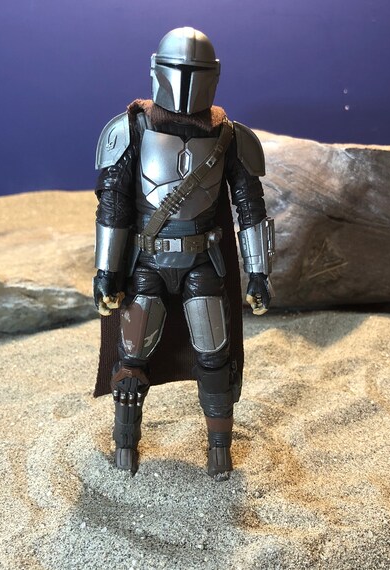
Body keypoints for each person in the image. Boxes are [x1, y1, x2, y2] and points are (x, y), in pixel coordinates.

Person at [92, 27, 275, 480]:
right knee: (131, 355)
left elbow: (249, 207)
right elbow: (113, 205)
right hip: (148, 262)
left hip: (202, 260)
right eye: (179, 71)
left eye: (196, 72)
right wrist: (106, 271)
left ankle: (219, 450)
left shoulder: (229, 136)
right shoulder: (131, 128)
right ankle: (125, 445)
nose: (186, 83)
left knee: (215, 356)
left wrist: (258, 273)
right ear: (158, 71)